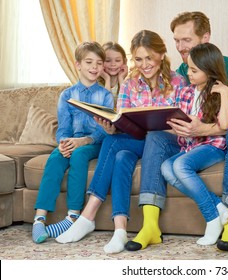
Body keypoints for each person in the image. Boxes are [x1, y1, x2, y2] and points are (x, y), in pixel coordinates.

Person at [126, 11, 228, 252]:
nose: (179, 47)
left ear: (205, 38)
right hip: (196, 141)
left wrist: (204, 129)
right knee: (156, 137)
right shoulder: (183, 71)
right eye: (176, 41)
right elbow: (183, 112)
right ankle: (150, 225)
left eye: (186, 40)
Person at [55, 30, 186, 254]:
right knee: (120, 153)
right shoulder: (130, 83)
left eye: (149, 58)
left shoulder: (178, 81)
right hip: (138, 141)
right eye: (138, 58)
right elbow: (124, 119)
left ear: (161, 55)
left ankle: (88, 216)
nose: (144, 65)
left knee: (115, 145)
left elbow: (185, 124)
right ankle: (120, 230)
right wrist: (112, 126)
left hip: (169, 143)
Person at [32, 42, 114, 244]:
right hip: (72, 141)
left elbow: (104, 130)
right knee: (55, 158)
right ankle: (39, 219)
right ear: (78, 65)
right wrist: (63, 142)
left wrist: (84, 141)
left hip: (93, 143)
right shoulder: (66, 95)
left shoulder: (105, 95)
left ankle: (73, 216)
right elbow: (63, 127)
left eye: (99, 63)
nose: (94, 67)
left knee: (79, 155)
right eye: (89, 62)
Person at [161, 43, 228, 246]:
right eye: (189, 69)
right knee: (166, 168)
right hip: (189, 147)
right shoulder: (185, 92)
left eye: (194, 70)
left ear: (210, 70)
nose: (189, 74)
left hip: (214, 146)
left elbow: (227, 125)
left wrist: (224, 94)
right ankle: (218, 205)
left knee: (180, 166)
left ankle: (211, 219)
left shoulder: (221, 91)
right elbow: (174, 122)